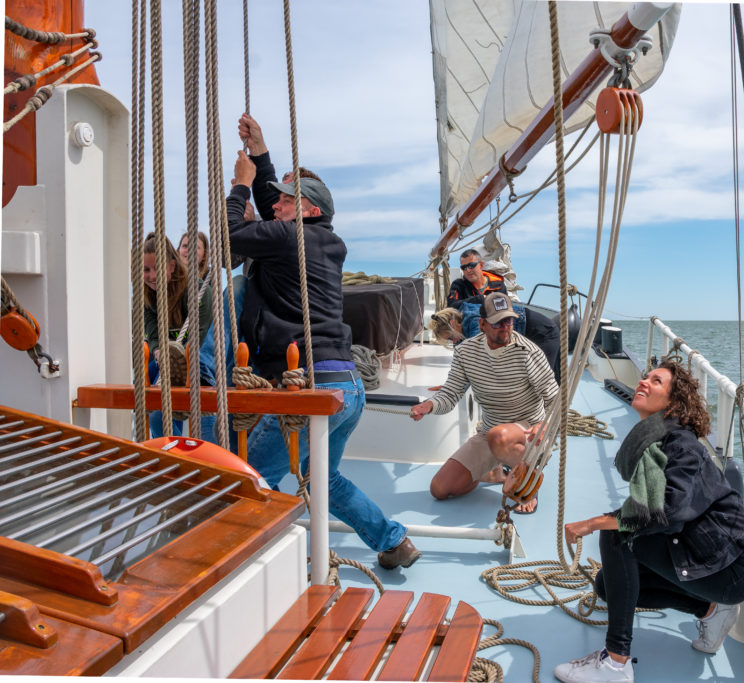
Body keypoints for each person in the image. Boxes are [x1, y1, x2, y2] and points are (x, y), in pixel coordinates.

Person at [225, 113, 419, 570]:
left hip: (310, 388)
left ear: (308, 210)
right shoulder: (318, 239)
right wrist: (262, 152)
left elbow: (234, 233)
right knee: (321, 479)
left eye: (286, 202)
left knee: (252, 476)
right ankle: (393, 542)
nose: (274, 205)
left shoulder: (293, 240)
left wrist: (240, 184)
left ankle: (253, 566)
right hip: (345, 386)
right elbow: (272, 196)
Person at [554, 361, 744, 683]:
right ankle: (709, 609)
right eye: (645, 376)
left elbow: (669, 511)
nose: (643, 381)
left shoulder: (682, 445)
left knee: (617, 535)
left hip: (731, 567)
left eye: (656, 381)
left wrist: (593, 523)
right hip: (703, 554)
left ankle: (615, 663)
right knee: (606, 587)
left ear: (674, 402)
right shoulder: (659, 443)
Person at [410, 291, 558, 514]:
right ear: (482, 324)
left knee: (499, 436)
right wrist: (429, 406)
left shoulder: (528, 352)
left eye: (508, 320)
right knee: (440, 489)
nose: (505, 327)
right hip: (491, 434)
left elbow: (555, 399)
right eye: (497, 322)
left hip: (528, 434)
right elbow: (451, 393)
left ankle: (527, 487)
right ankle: (499, 473)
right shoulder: (466, 353)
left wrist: (545, 426)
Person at [428, 302, 561, 383]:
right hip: (533, 333)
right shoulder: (466, 325)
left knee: (543, 379)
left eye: (451, 338)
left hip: (542, 333)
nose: (455, 341)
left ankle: (547, 424)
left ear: (453, 324)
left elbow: (479, 355)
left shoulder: (474, 322)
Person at [142, 232, 213, 386]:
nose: (152, 276)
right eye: (146, 270)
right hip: (167, 361)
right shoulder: (147, 298)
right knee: (140, 392)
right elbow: (154, 336)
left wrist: (175, 358)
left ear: (172, 266)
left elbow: (200, 336)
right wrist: (159, 352)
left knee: (158, 407)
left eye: (157, 268)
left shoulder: (197, 290)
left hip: (197, 363)